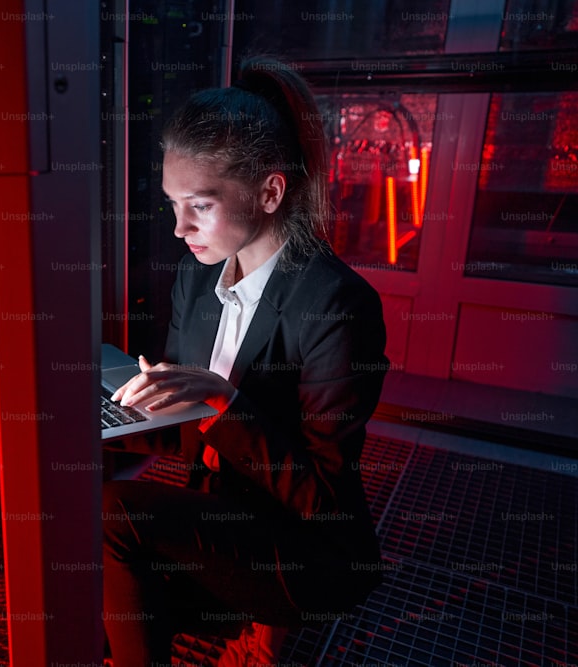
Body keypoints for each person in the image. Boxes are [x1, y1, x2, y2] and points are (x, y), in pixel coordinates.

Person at [102, 57, 390, 667]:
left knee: (115, 519)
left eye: (199, 206)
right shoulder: (196, 278)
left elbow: (321, 496)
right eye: (173, 204)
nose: (179, 228)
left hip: (304, 546)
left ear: (269, 191)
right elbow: (187, 435)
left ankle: (258, 631)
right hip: (221, 511)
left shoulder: (337, 306)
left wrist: (222, 401)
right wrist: (99, 422)